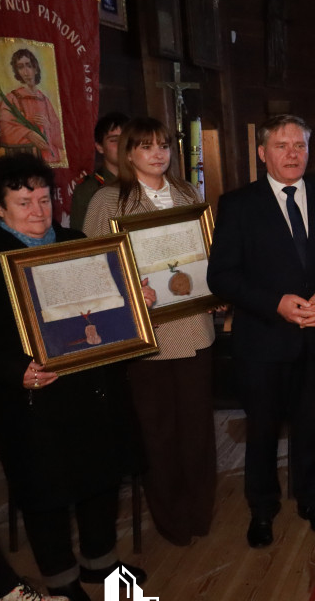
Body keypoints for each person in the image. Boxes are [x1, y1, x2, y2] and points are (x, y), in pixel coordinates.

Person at [0, 154, 144, 601]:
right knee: (46, 490)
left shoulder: (74, 240)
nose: (38, 211)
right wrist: (13, 369)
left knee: (100, 477)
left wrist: (130, 302)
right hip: (30, 396)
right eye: (24, 202)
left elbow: (102, 309)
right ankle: (62, 581)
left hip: (89, 386)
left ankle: (101, 564)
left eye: (44, 199)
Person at [207, 115, 315, 546]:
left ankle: (313, 500)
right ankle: (262, 509)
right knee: (261, 430)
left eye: (300, 145)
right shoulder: (239, 205)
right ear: (263, 153)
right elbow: (221, 276)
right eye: (282, 146)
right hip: (262, 340)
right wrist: (275, 303)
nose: (293, 153)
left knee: (312, 424)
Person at [82, 117, 217, 547]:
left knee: (197, 431)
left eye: (163, 145)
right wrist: (128, 290)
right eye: (145, 146)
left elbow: (204, 252)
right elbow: (91, 267)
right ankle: (172, 519)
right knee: (158, 434)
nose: (157, 153)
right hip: (148, 336)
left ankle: (200, 511)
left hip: (194, 327)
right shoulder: (108, 201)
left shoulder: (186, 192)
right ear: (128, 153)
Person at [0, 49, 64, 165]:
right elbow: (2, 128)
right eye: (21, 67)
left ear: (36, 69)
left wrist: (49, 127)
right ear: (17, 71)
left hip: (50, 160)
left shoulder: (44, 100)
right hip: (26, 161)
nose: (26, 72)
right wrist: (28, 133)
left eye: (29, 65)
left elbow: (60, 137)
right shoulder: (12, 98)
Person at [69, 112, 128, 231]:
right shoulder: (89, 189)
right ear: (100, 147)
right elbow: (81, 238)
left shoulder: (144, 180)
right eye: (114, 140)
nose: (122, 145)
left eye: (126, 139)